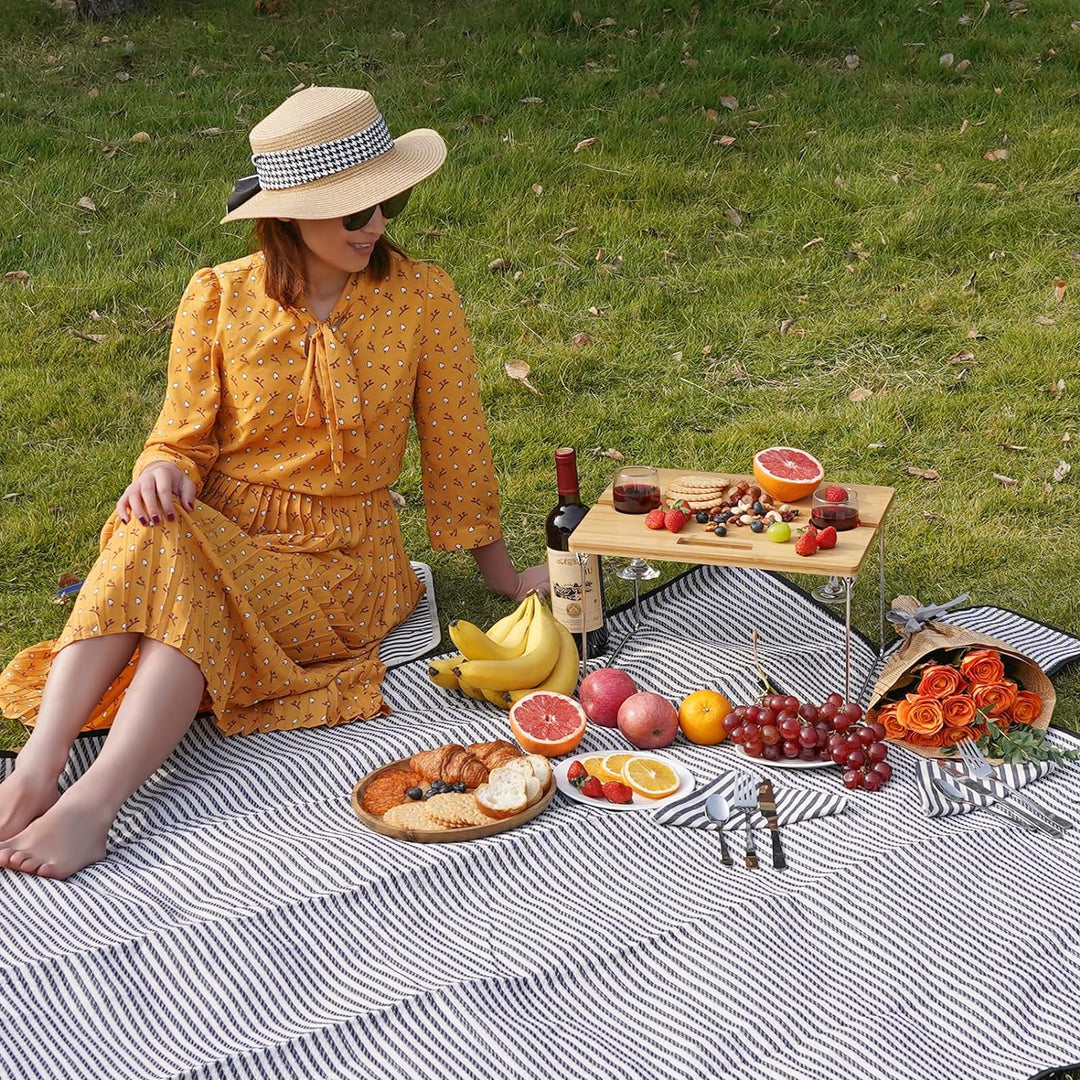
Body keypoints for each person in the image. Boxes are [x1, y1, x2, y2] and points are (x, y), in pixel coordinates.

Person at [0, 86, 548, 880]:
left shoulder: (424, 298)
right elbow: (180, 437)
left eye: (388, 202)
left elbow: (457, 448)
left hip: (338, 556)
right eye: (355, 213)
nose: (379, 226)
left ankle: (93, 804)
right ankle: (37, 772)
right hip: (216, 524)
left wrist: (500, 575)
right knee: (154, 526)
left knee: (176, 580)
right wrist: (159, 471)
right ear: (290, 213)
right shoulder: (217, 295)